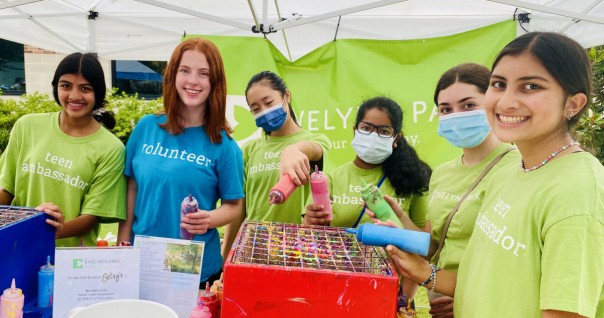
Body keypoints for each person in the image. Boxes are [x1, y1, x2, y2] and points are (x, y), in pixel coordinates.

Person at [387, 32, 604, 318]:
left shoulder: (578, 192)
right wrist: (427, 274)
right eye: (499, 84)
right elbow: (487, 278)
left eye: (531, 86)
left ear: (573, 103)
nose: (506, 101)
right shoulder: (513, 171)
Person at [419, 63, 517, 318]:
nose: (455, 116)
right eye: (446, 109)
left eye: (468, 105)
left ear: (492, 101)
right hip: (443, 312)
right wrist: (399, 226)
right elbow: (436, 244)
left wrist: (457, 289)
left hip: (486, 315)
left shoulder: (516, 167)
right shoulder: (443, 172)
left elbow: (511, 260)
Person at [117, 38, 244, 286]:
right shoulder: (146, 127)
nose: (193, 81)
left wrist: (209, 219)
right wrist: (123, 243)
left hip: (189, 260)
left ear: (214, 82)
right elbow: (131, 187)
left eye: (203, 73)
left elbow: (234, 206)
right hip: (142, 254)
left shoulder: (224, 146)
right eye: (185, 70)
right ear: (173, 75)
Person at [0, 52, 126, 246]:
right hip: (17, 248)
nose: (74, 96)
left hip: (71, 262)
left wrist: (55, 228)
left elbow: (92, 217)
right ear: (56, 87)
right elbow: (6, 190)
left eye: (85, 88)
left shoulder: (111, 148)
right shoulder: (27, 126)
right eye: (66, 86)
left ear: (98, 93)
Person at [221, 71, 331, 258]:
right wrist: (225, 260)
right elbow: (238, 210)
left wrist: (293, 150)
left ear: (286, 96)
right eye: (256, 108)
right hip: (253, 251)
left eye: (268, 102)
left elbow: (315, 150)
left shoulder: (315, 140)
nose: (264, 111)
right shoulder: (249, 150)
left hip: (296, 253)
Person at [303, 96, 430, 229]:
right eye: (366, 128)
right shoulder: (330, 179)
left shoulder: (414, 180)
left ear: (395, 139)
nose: (373, 136)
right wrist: (310, 222)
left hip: (393, 251)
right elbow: (310, 234)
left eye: (384, 131)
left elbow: (425, 242)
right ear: (355, 131)